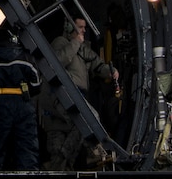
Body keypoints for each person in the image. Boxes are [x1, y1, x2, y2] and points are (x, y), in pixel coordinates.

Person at [40, 14, 118, 170]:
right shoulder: (60, 43)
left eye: (84, 28)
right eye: (80, 27)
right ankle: (95, 150)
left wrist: (110, 71)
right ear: (69, 27)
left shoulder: (84, 48)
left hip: (78, 98)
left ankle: (61, 168)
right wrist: (75, 43)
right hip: (60, 99)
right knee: (88, 120)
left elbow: (97, 64)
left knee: (82, 128)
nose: (83, 31)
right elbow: (57, 62)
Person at [0, 20, 41, 170]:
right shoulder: (25, 58)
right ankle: (29, 178)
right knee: (27, 143)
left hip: (0, 103)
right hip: (22, 101)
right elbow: (37, 83)